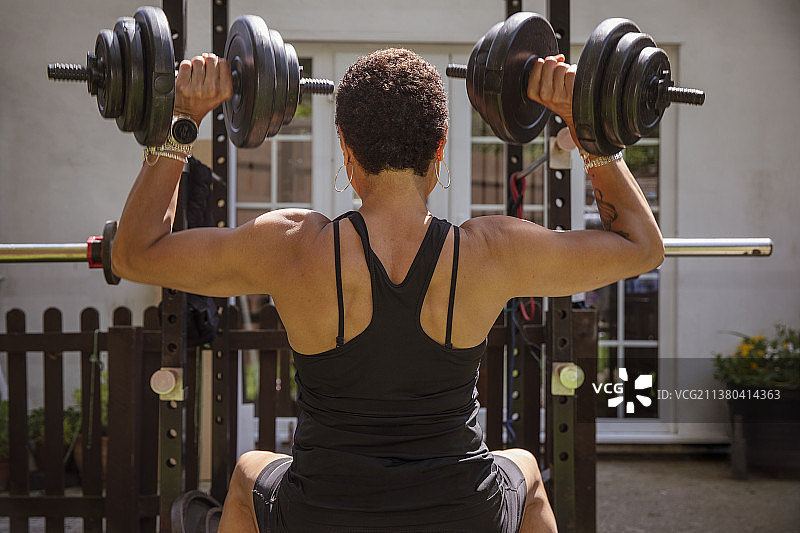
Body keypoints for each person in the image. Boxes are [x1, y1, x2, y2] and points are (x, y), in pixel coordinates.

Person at [113, 48, 663, 533]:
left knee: (247, 473)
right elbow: (641, 246)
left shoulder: (290, 246)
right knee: (524, 470)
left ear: (346, 150)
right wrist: (587, 129)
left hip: (323, 514)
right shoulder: (493, 250)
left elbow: (135, 253)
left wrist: (182, 119)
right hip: (462, 513)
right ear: (440, 147)